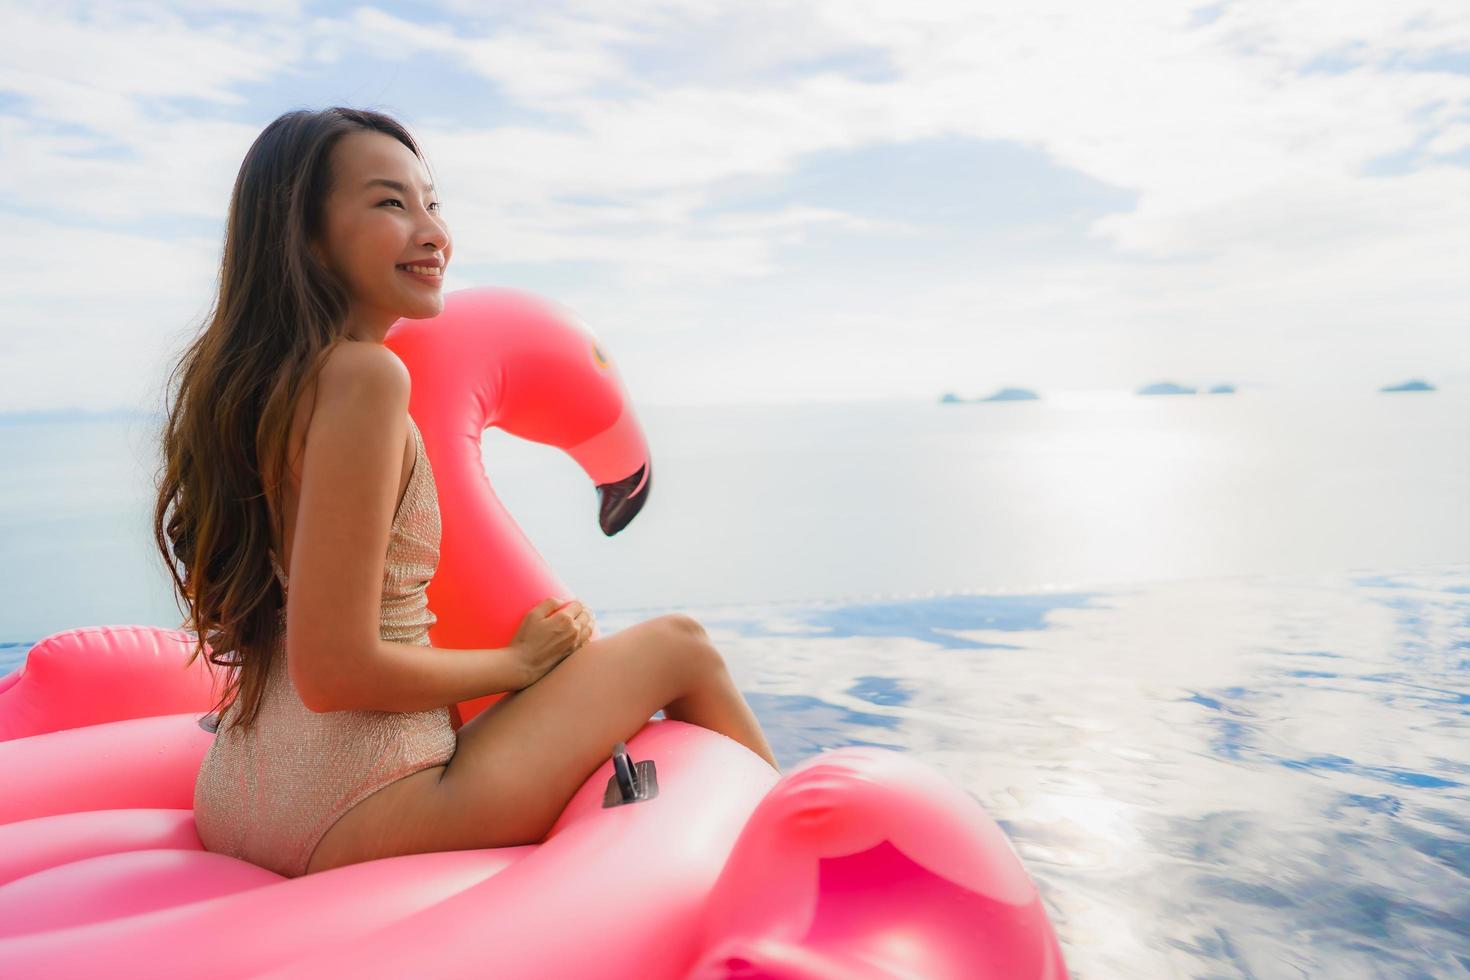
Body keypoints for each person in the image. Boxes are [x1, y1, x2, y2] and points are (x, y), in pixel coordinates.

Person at [152, 106, 779, 879]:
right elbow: (334, 669)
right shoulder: (364, 378)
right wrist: (516, 663)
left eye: (432, 203)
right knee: (682, 647)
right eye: (390, 203)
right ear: (306, 237)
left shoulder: (252, 387)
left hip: (239, 799)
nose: (432, 231)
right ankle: (805, 874)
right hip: (356, 802)